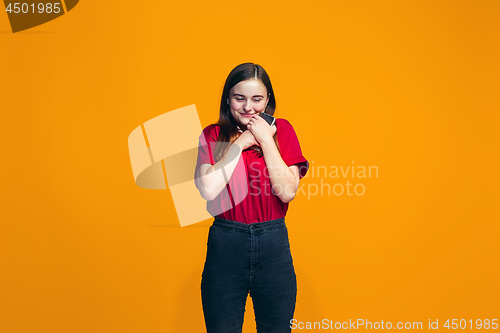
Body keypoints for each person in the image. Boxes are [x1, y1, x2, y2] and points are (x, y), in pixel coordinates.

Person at [194, 62, 309, 333]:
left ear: (268, 100)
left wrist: (266, 140)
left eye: (257, 99)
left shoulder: (283, 131)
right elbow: (208, 189)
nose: (248, 107)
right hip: (225, 244)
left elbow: (287, 191)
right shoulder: (213, 134)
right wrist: (241, 143)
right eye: (239, 98)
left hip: (273, 245)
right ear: (227, 99)